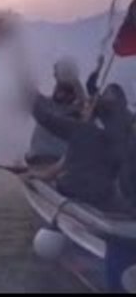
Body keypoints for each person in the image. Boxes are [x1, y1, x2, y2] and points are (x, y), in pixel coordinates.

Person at [26, 81, 132, 210]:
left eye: (87, 106)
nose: (83, 108)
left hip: (73, 190)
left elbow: (45, 118)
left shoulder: (80, 129)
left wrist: (27, 90)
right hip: (103, 196)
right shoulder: (125, 137)